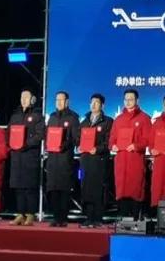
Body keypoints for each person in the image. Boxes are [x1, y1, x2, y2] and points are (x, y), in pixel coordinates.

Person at [110, 89, 151, 220]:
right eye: (126, 99)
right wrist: (113, 146)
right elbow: (112, 139)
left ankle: (136, 221)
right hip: (121, 161)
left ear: (137, 100)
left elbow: (148, 139)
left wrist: (136, 146)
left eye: (131, 99)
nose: (128, 102)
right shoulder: (118, 119)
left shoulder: (144, 118)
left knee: (136, 190)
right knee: (122, 191)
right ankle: (123, 221)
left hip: (135, 160)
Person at [8, 88, 45, 226]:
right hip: (16, 157)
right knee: (18, 187)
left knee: (29, 187)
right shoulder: (15, 116)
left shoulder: (37, 115)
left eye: (26, 97)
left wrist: (26, 144)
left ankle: (30, 214)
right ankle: (20, 213)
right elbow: (8, 133)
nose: (23, 100)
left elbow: (40, 135)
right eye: (22, 97)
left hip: (30, 156)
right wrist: (11, 144)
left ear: (32, 99)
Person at [45, 91, 80, 227]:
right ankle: (55, 217)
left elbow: (76, 138)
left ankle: (63, 218)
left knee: (64, 188)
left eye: (61, 100)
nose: (59, 102)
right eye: (57, 100)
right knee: (53, 188)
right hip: (52, 159)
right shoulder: (52, 117)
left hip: (65, 158)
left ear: (67, 102)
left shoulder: (73, 117)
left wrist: (64, 144)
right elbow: (47, 135)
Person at [79, 93, 113, 227]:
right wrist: (79, 146)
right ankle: (88, 217)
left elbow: (109, 141)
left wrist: (98, 149)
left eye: (96, 102)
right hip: (85, 160)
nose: (93, 105)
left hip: (99, 160)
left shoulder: (108, 121)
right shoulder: (84, 122)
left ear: (102, 105)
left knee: (98, 189)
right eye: (91, 102)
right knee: (85, 188)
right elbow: (78, 138)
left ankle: (98, 218)